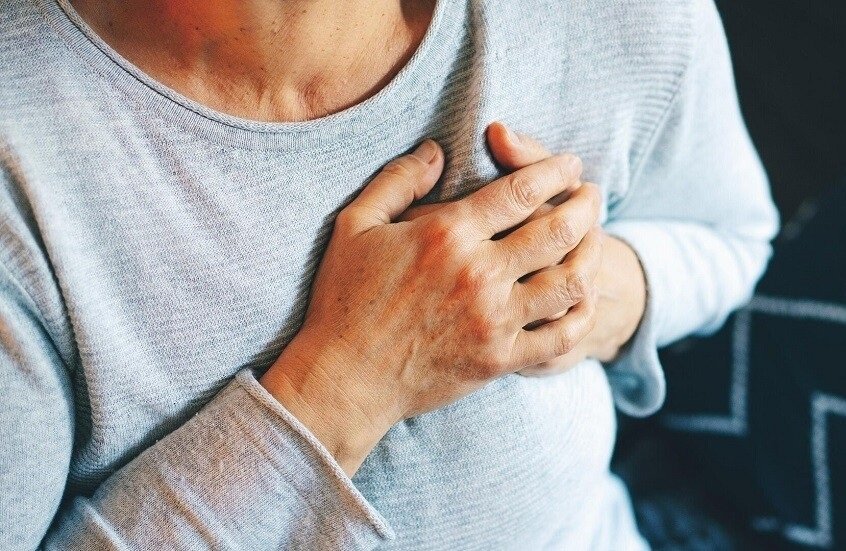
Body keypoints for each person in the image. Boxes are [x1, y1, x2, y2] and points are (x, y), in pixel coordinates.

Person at [0, 0, 778, 549]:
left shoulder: (610, 16)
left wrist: (584, 292)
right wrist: (349, 383)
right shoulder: (24, 164)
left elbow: (734, 236)